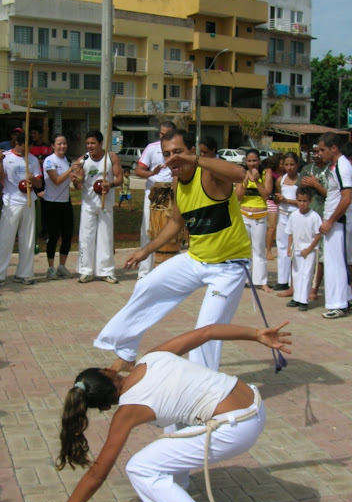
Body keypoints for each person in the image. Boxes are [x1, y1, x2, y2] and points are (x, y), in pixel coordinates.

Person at [29, 322, 292, 502]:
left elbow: (99, 472)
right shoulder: (152, 357)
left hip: (236, 428)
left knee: (140, 467)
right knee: (172, 419)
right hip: (254, 401)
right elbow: (207, 332)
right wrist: (256, 333)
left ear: (106, 406)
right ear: (109, 371)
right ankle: (178, 489)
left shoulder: (127, 411)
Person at [94, 129, 250, 373]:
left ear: (191, 151)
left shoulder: (209, 173)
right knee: (146, 286)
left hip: (228, 268)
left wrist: (194, 160)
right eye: (167, 154)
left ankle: (203, 384)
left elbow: (240, 174)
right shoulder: (176, 182)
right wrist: (145, 251)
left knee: (206, 329)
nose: (172, 158)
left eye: (178, 152)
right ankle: (126, 353)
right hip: (196, 261)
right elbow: (176, 223)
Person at [0, 129, 42, 288]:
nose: (27, 150)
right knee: (5, 239)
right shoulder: (6, 157)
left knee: (27, 239)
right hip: (11, 202)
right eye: (25, 146)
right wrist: (0, 161)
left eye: (30, 147)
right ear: (18, 143)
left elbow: (39, 182)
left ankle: (25, 273)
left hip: (28, 201)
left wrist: (33, 180)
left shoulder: (32, 160)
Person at [70, 129, 123, 284]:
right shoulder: (82, 160)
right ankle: (86, 271)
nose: (90, 146)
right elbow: (78, 186)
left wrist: (111, 184)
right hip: (88, 204)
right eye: (87, 143)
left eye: (93, 143)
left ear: (101, 143)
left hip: (105, 203)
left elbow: (119, 178)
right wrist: (75, 179)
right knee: (86, 237)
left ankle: (106, 271)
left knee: (105, 237)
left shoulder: (111, 157)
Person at [316, 133, 352, 319]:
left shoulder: (343, 167)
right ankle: (346, 299)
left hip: (339, 222)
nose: (320, 153)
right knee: (334, 262)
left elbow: (346, 199)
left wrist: (330, 221)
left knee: (335, 264)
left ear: (334, 148)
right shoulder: (335, 167)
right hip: (334, 221)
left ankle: (338, 304)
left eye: (322, 150)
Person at [135, 121, 176, 278]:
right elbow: (138, 170)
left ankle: (165, 271)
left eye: (167, 134)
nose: (163, 136)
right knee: (148, 229)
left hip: (172, 193)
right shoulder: (152, 148)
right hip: (153, 192)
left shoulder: (177, 150)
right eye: (161, 133)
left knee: (170, 232)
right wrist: (152, 173)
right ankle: (144, 271)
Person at [235, 149, 273, 293]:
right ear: (245, 162)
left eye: (254, 160)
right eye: (249, 161)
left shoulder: (266, 173)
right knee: (243, 249)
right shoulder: (241, 173)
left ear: (259, 161)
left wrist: (256, 180)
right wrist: (245, 180)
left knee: (259, 249)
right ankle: (243, 279)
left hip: (260, 216)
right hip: (244, 214)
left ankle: (261, 281)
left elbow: (266, 195)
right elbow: (238, 197)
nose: (252, 164)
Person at [40, 134, 75, 281]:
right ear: (53, 146)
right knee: (53, 236)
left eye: (64, 143)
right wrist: (70, 170)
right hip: (51, 203)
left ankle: (62, 266)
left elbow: (70, 181)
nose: (62, 146)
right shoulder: (49, 161)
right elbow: (56, 181)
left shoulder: (66, 161)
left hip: (65, 202)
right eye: (59, 144)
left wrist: (75, 177)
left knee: (67, 234)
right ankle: (50, 267)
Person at [297, 145, 329, 301]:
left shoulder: (331, 170)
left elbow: (332, 195)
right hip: (306, 216)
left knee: (320, 254)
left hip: (323, 215)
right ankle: (297, 288)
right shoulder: (307, 168)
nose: (317, 155)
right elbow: (300, 191)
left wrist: (316, 185)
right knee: (301, 251)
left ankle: (315, 288)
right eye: (314, 152)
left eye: (320, 152)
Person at [285, 186, 322, 311]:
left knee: (306, 274)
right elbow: (290, 232)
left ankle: (304, 300)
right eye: (300, 201)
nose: (302, 203)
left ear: (310, 201)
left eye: (305, 201)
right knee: (296, 273)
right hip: (297, 249)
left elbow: (318, 234)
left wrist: (309, 249)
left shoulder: (314, 216)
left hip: (309, 250)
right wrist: (289, 247)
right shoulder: (294, 215)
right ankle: (296, 298)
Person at [272, 152, 300, 295]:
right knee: (282, 247)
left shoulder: (301, 180)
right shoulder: (281, 180)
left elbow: (303, 201)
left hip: (296, 215)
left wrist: (287, 200)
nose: (289, 167)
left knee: (294, 249)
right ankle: (282, 280)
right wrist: (278, 199)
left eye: (292, 164)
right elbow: (277, 197)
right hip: (282, 215)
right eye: (286, 164)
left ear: (297, 164)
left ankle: (293, 282)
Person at [264, 154, 282, 261]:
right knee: (272, 227)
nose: (283, 165)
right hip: (272, 201)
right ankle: (269, 250)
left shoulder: (285, 173)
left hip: (282, 202)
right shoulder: (270, 172)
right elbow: (269, 190)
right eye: (281, 163)